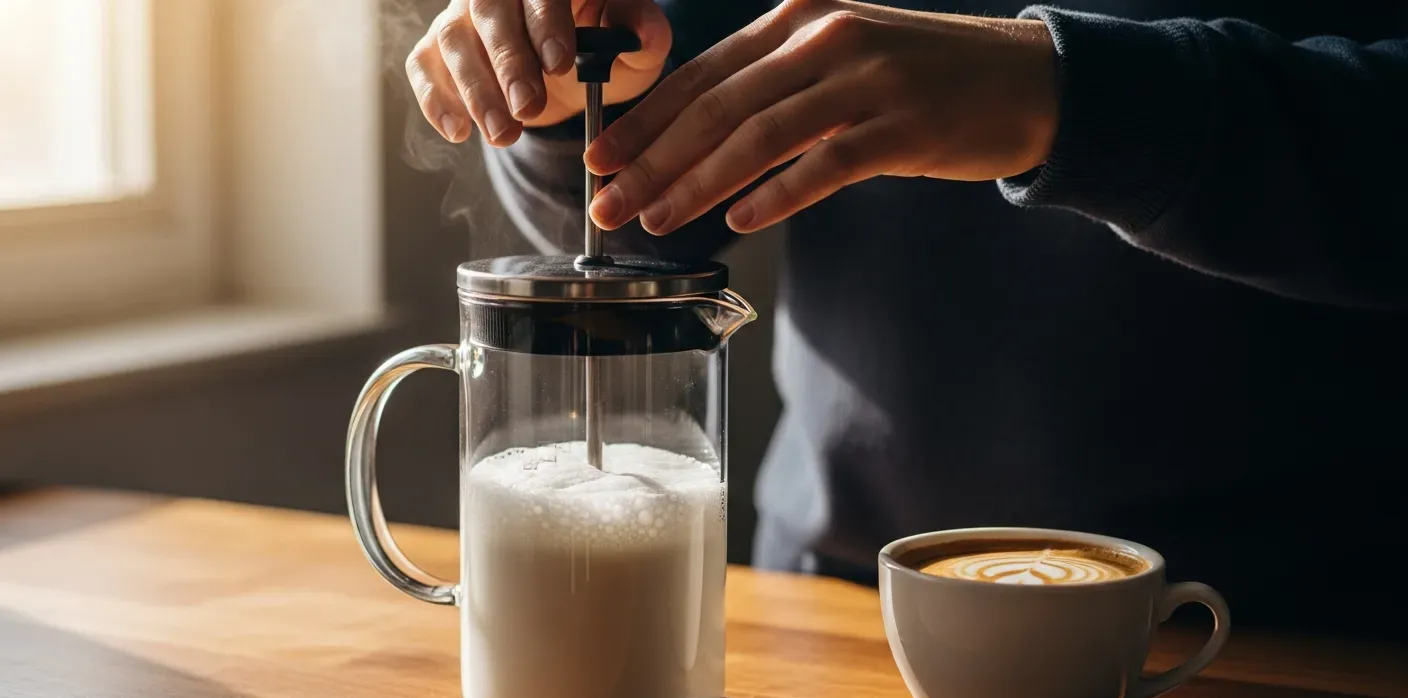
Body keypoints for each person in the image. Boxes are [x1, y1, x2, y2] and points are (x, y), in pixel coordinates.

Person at [406, 0, 1408, 635]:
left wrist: (1078, 95)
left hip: (1284, 630)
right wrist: (565, 98)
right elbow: (654, 214)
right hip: (830, 608)